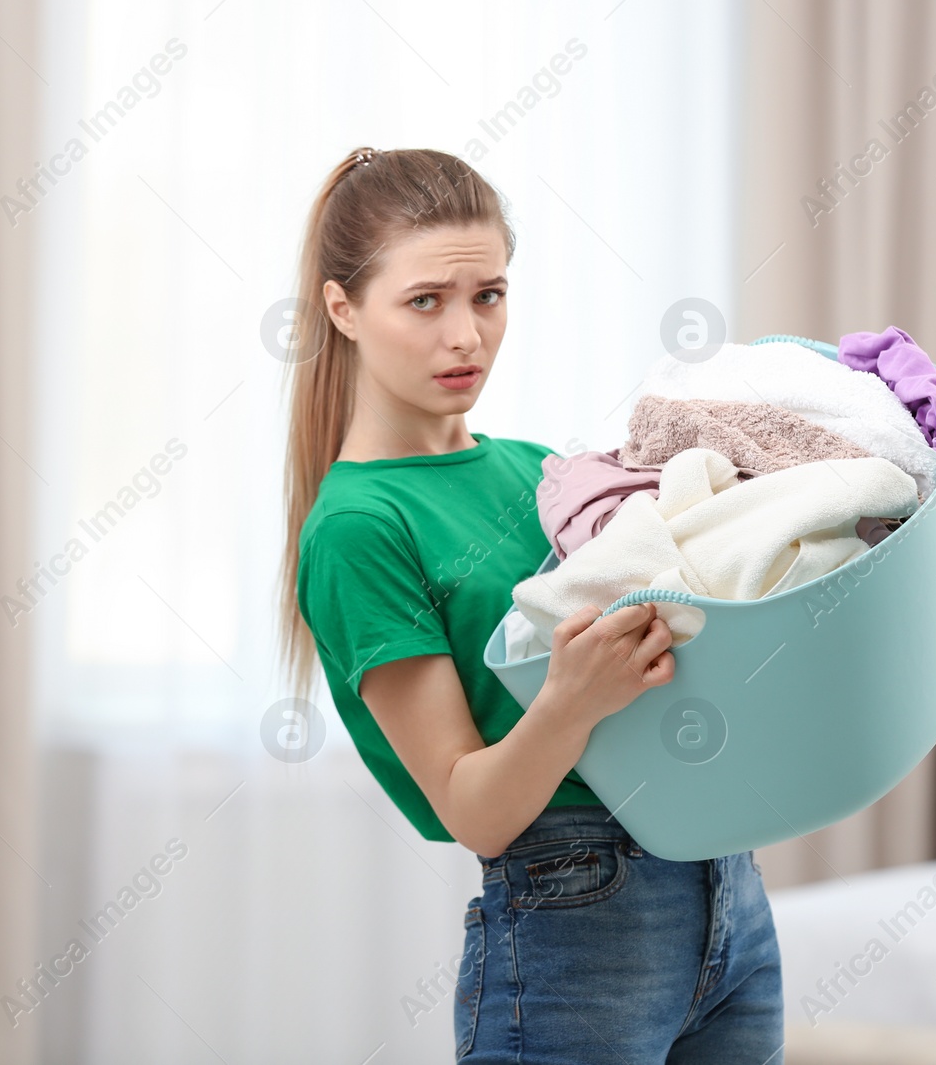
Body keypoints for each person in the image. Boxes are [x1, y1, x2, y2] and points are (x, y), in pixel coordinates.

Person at [277, 146, 784, 1062]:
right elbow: (474, 808)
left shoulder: (539, 468)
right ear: (343, 307)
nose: (465, 335)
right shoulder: (358, 526)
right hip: (577, 913)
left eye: (489, 295)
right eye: (425, 300)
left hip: (729, 894)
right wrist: (574, 695)